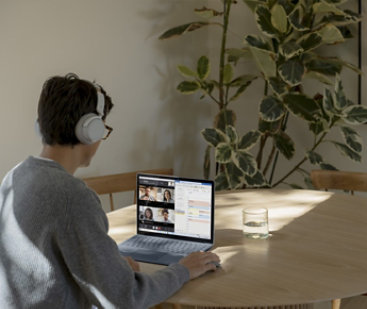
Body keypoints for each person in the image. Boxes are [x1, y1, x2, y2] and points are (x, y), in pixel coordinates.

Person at [0, 73, 220, 309]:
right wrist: (184, 270)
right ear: (90, 130)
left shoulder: (15, 176)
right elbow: (125, 299)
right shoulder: (71, 196)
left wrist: (112, 269)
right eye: (103, 129)